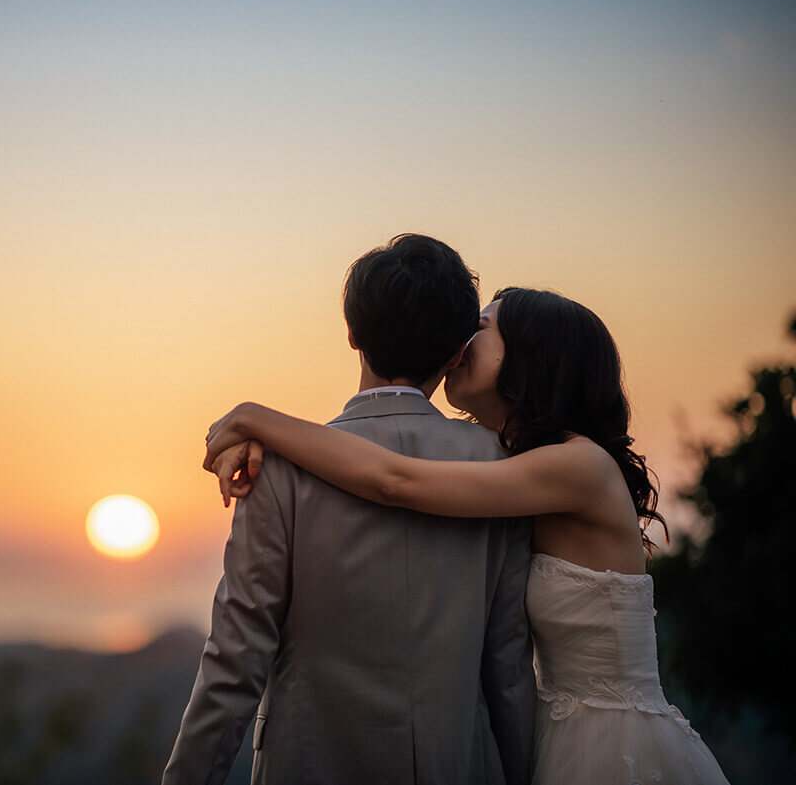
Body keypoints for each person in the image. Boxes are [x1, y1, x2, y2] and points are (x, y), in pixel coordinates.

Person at [204, 287, 732, 784]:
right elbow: (386, 466)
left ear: (530, 356)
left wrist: (254, 420)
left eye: (479, 327)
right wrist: (264, 449)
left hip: (612, 745)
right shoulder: (517, 464)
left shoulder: (580, 468)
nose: (461, 339)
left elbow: (395, 479)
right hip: (556, 736)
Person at [162, 234, 536, 785]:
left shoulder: (279, 469)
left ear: (351, 333)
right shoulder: (502, 469)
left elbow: (235, 659)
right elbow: (508, 667)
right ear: (457, 353)